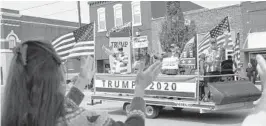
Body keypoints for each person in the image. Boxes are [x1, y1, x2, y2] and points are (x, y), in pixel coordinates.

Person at [1, 40, 162, 126]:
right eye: (60, 65)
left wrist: (82, 80)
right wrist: (139, 90)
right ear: (57, 78)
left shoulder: (15, 118)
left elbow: (63, 106)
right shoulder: (86, 120)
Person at [242, 55, 266, 126]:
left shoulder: (251, 121)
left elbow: (254, 73)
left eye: (250, 64)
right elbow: (246, 72)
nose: (249, 65)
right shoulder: (248, 68)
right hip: (249, 77)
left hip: (252, 77)